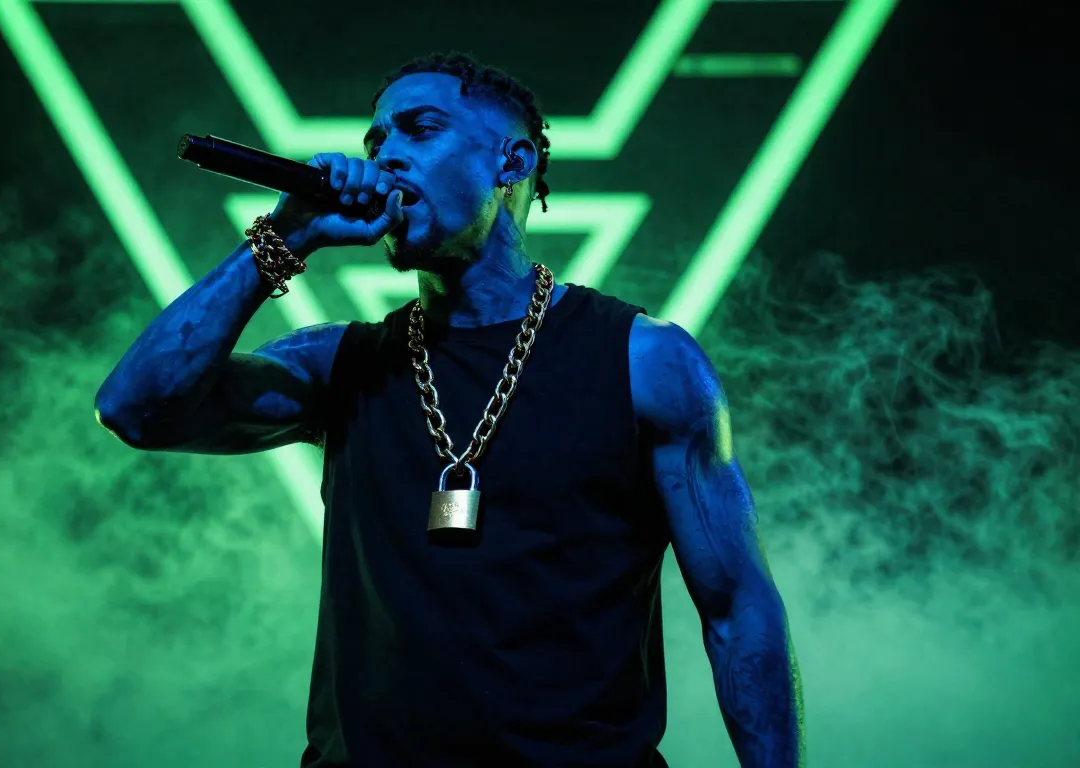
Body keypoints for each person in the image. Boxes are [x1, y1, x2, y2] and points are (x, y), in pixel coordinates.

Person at [95, 52, 804, 768]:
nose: (386, 155)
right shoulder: (340, 364)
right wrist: (286, 239)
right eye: (376, 141)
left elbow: (737, 610)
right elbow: (135, 409)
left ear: (510, 163)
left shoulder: (644, 362)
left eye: (420, 129)